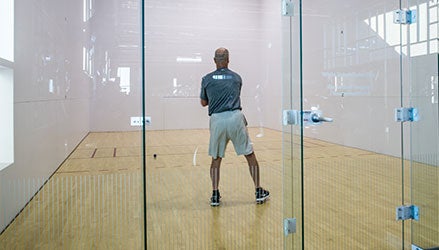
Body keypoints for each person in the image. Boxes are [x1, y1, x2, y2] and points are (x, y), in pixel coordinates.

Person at [200, 47, 270, 207]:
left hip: (217, 119)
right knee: (249, 155)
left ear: (214, 60)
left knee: (216, 158)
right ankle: (258, 190)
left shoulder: (206, 79)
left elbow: (204, 103)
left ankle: (215, 194)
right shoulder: (237, 78)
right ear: (228, 59)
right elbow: (233, 93)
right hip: (235, 118)